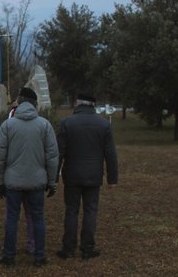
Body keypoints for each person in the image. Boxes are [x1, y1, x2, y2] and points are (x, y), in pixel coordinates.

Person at [0, 87, 58, 267]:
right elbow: (52, 157)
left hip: (13, 181)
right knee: (37, 217)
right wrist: (52, 182)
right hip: (37, 181)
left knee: (12, 218)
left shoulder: (8, 126)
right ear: (35, 104)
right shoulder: (44, 125)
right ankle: (39, 254)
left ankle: (9, 254)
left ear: (19, 102)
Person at [56, 92, 118, 261]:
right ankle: (87, 248)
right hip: (93, 175)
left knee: (71, 211)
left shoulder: (66, 123)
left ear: (78, 103)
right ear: (93, 105)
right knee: (90, 211)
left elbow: (59, 153)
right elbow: (110, 154)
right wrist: (112, 179)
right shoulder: (104, 124)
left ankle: (68, 248)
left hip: (72, 175)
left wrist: (53, 177)